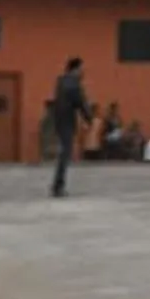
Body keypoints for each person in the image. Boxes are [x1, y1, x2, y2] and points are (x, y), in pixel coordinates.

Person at [49, 56, 92, 198]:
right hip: (67, 121)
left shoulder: (61, 82)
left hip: (59, 120)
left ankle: (58, 185)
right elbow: (81, 102)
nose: (82, 72)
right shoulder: (73, 84)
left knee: (64, 152)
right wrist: (88, 118)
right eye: (81, 69)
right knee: (65, 154)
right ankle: (58, 186)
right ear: (75, 69)